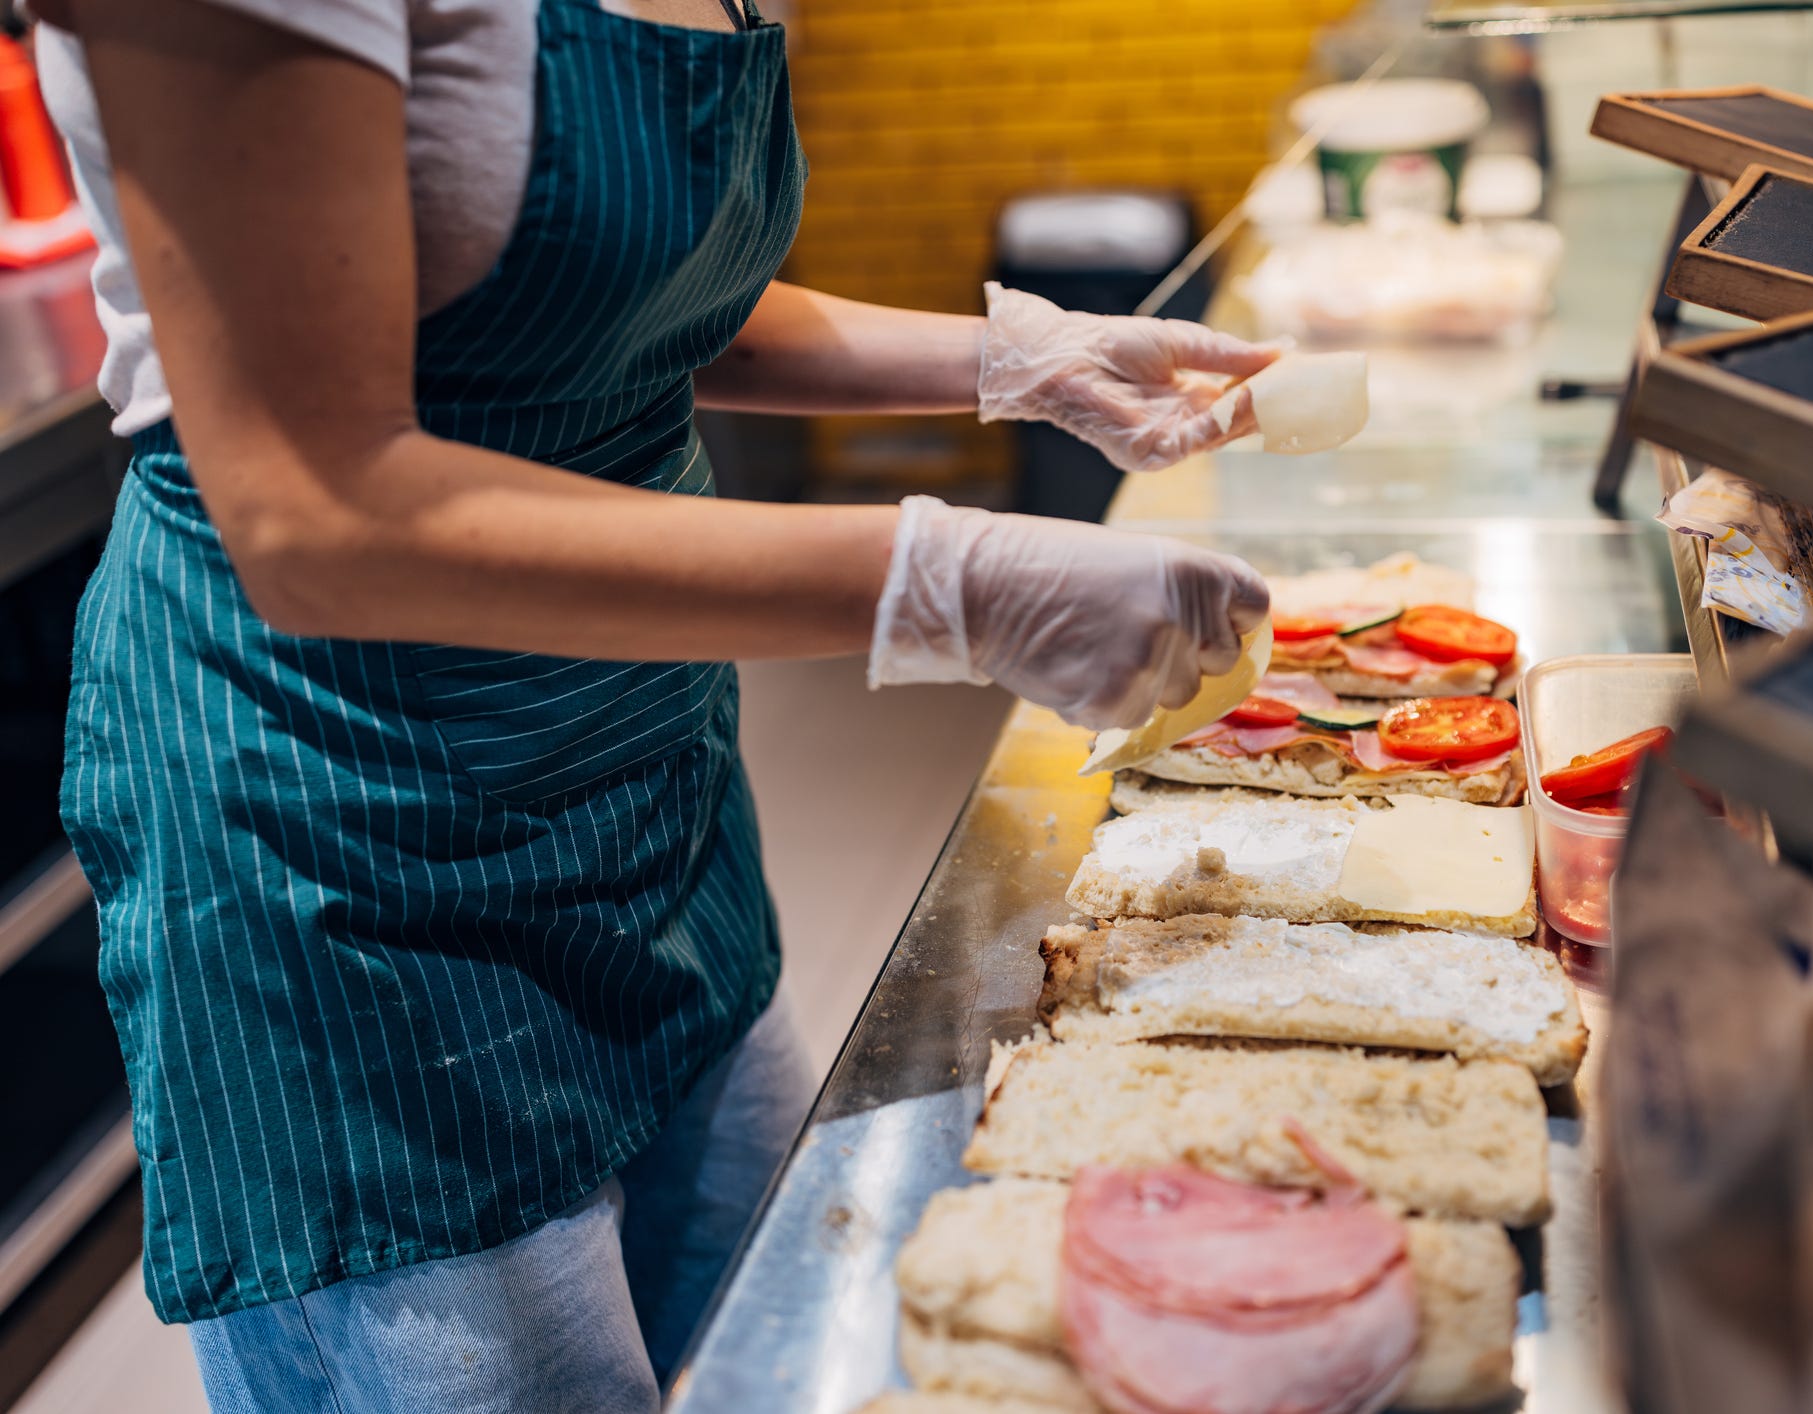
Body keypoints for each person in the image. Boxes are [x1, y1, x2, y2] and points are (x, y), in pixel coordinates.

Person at [33, 0, 1277, 1406]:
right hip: (349, 828)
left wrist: (1013, 362)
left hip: (643, 775)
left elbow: (624, 290)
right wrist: (950, 580)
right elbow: (316, 512)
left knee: (773, 1339)